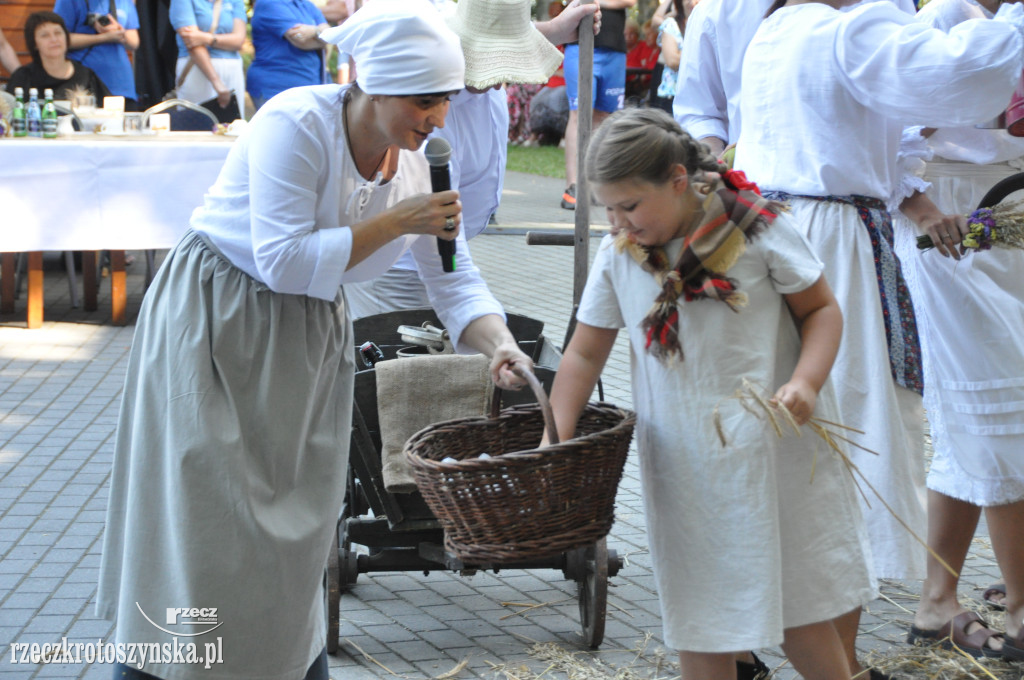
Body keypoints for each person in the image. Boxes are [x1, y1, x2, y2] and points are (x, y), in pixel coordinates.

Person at [95, 3, 535, 679]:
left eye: (445, 102)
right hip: (218, 322)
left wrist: (498, 344)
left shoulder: (417, 168)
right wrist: (400, 222)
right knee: (202, 536)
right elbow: (282, 259)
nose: (438, 119)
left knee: (293, 543)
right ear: (377, 86)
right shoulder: (296, 123)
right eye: (424, 102)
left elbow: (453, 279)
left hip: (303, 342)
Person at [734, 0, 1024, 674]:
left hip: (773, 234)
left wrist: (914, 197)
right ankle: (840, 660)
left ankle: (756, 640)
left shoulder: (775, 29)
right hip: (829, 247)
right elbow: (966, 75)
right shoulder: (849, 30)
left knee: (794, 447)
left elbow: (882, 130)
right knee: (850, 446)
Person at [545, 107, 876, 680]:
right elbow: (582, 353)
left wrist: (806, 382)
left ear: (679, 180)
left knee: (798, 606)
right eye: (608, 208)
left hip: (776, 454)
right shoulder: (619, 256)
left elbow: (822, 310)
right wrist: (554, 438)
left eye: (630, 205)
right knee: (700, 617)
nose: (619, 222)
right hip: (687, 468)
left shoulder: (758, 229)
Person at [890, 0, 1024, 659]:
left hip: (1012, 204)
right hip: (947, 214)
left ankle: (934, 602)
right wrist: (920, 209)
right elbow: (890, 134)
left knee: (974, 410)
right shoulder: (942, 17)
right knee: (1001, 407)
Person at [345, 0, 598, 318]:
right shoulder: (426, 116)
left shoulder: (478, 79)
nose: (497, 77)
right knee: (406, 357)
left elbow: (495, 28)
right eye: (487, 60)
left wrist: (558, 29)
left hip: (446, 252)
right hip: (401, 268)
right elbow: (445, 258)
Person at [673, 0, 914, 157]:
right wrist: (718, 159)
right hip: (754, 196)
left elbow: (916, 88)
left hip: (871, 194)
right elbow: (698, 111)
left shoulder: (884, 5)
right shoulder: (716, 10)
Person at [560, 0, 635, 210]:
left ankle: (598, 183)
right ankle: (573, 185)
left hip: (614, 49)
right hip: (580, 45)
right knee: (578, 114)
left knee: (605, 118)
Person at [5, 12, 111, 102]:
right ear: (34, 43)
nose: (54, 39)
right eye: (45, 35)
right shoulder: (23, 78)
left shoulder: (86, 76)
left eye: (58, 33)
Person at [53, 0, 139, 109]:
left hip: (121, 84)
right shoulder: (69, 2)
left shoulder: (124, 2)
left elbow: (134, 42)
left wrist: (118, 30)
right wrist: (103, 38)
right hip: (84, 86)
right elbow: (60, 39)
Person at [246, 0, 329, 110]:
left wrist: (313, 31)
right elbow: (301, 41)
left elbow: (328, 34)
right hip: (277, 87)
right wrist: (320, 35)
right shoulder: (269, 3)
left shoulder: (304, 3)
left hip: (307, 85)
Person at [168, 0, 248, 115]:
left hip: (232, 69)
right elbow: (191, 41)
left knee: (232, 126)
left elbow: (239, 40)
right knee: (197, 126)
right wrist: (217, 82)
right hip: (197, 68)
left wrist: (207, 38)